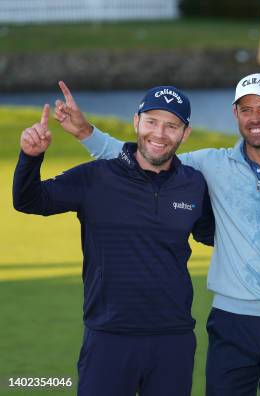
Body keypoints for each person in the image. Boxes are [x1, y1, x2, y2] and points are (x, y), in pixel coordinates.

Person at [53, 74, 260, 395]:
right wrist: (86, 133)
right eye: (246, 109)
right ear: (235, 114)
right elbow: (146, 159)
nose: (255, 118)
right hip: (230, 320)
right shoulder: (209, 164)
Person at [13, 86, 215, 396]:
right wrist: (30, 157)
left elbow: (212, 234)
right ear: (136, 122)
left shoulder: (193, 184)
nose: (159, 133)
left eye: (171, 125)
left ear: (185, 133)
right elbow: (29, 200)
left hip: (173, 339)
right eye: (151, 121)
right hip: (108, 336)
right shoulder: (95, 177)